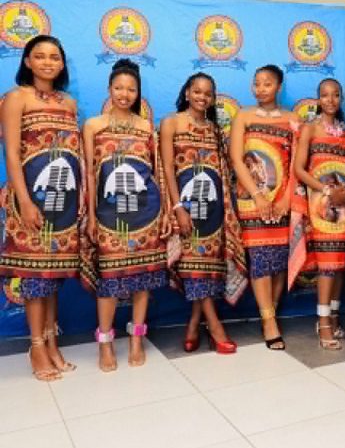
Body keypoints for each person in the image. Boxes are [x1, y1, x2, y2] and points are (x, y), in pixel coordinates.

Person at [0, 35, 82, 381]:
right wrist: (24, 200)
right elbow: (11, 154)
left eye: (54, 57)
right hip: (29, 199)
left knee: (53, 275)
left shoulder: (69, 103)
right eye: (40, 56)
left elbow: (74, 154)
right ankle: (36, 347)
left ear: (62, 64)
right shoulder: (15, 98)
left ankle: (51, 342)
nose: (48, 62)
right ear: (28, 61)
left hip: (63, 201)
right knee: (34, 276)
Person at [80, 59, 168, 371]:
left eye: (131, 89)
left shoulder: (146, 127)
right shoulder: (93, 126)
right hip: (107, 213)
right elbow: (89, 174)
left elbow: (157, 173)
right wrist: (91, 216)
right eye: (118, 88)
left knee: (143, 279)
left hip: (146, 213)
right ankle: (105, 342)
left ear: (138, 93)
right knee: (109, 281)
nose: (124, 94)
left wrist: (165, 211)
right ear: (109, 89)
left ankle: (136, 338)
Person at [159, 73, 246, 354]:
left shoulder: (215, 130)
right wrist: (177, 209)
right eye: (197, 91)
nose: (202, 97)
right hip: (185, 210)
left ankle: (194, 325)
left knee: (207, 272)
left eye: (208, 93)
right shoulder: (171, 123)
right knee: (193, 270)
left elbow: (223, 174)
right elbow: (166, 169)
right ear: (187, 93)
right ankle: (216, 327)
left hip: (213, 212)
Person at [230, 65, 300, 350]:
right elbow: (237, 158)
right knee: (260, 260)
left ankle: (271, 311)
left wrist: (287, 199)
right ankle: (269, 321)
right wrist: (258, 196)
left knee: (279, 261)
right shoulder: (243, 116)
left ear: (279, 87)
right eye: (257, 83)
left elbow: (297, 164)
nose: (261, 89)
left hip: (283, 200)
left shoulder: (293, 119)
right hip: (252, 200)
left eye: (267, 84)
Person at [291, 78, 345, 350]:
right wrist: (326, 190)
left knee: (340, 264)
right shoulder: (310, 129)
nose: (330, 100)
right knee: (327, 264)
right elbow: (299, 169)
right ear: (318, 99)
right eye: (325, 95)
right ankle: (324, 322)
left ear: (341, 99)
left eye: (335, 95)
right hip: (321, 205)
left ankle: (335, 316)